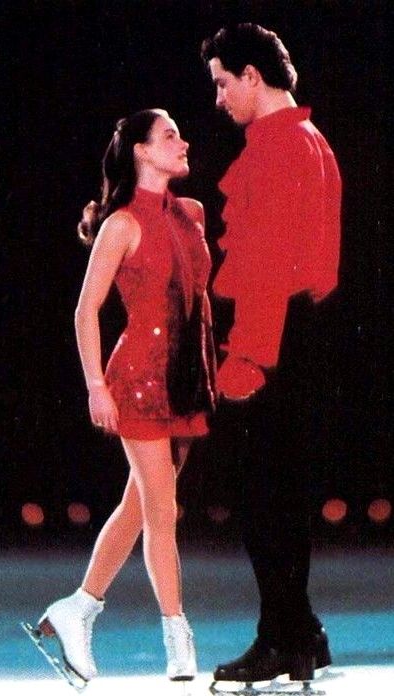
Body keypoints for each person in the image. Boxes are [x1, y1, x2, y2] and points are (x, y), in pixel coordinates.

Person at [27, 108, 217, 686]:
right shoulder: (120, 225)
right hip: (136, 378)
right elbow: (86, 311)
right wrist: (94, 385)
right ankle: (178, 638)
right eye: (169, 136)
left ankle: (78, 609)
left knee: (140, 504)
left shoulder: (192, 213)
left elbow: (198, 304)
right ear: (139, 150)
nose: (183, 144)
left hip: (185, 380)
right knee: (163, 510)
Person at [200, 24, 341, 685]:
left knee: (263, 502)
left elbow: (266, 263)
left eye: (224, 82)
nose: (220, 97)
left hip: (274, 339)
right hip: (302, 333)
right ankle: (299, 634)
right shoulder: (308, 141)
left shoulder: (280, 148)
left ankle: (282, 637)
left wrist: (248, 358)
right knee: (278, 498)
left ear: (253, 76)